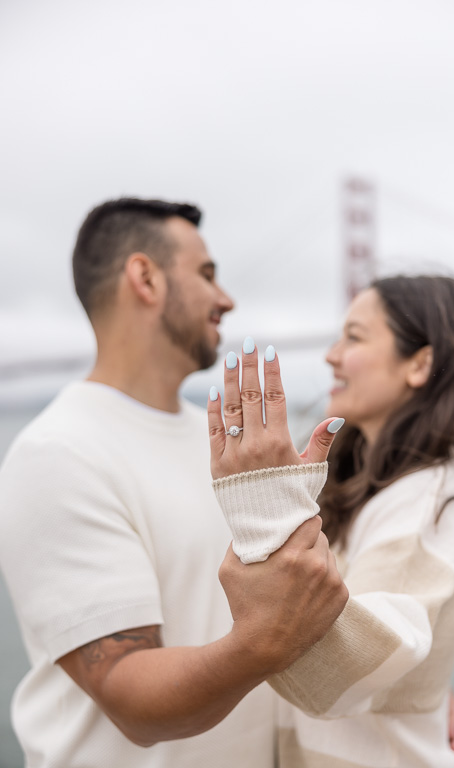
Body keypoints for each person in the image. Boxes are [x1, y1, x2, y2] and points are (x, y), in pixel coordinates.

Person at [0, 198, 348, 768]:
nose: (227, 299)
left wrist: (407, 696)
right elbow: (131, 695)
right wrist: (264, 642)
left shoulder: (224, 444)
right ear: (145, 278)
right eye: (208, 274)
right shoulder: (56, 454)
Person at [209, 275, 454, 768]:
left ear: (420, 364)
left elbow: (344, 672)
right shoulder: (368, 482)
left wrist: (264, 510)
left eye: (354, 337)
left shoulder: (431, 497)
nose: (330, 356)